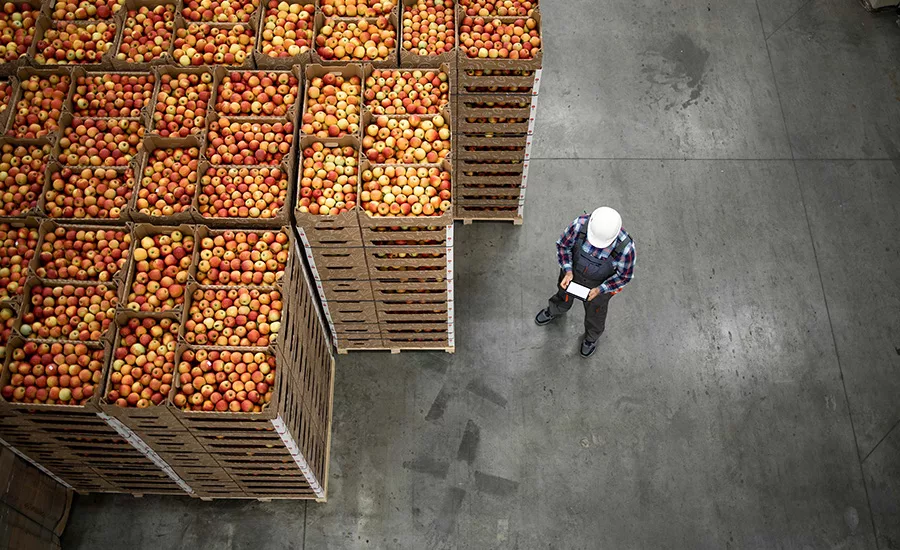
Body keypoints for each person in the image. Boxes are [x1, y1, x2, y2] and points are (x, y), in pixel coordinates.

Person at [535, 207, 636, 357]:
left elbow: (624, 277)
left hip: (599, 286)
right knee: (563, 294)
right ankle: (556, 309)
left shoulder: (626, 249)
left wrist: (601, 289)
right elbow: (563, 247)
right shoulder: (579, 225)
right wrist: (568, 270)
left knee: (596, 312)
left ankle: (591, 338)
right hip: (572, 274)